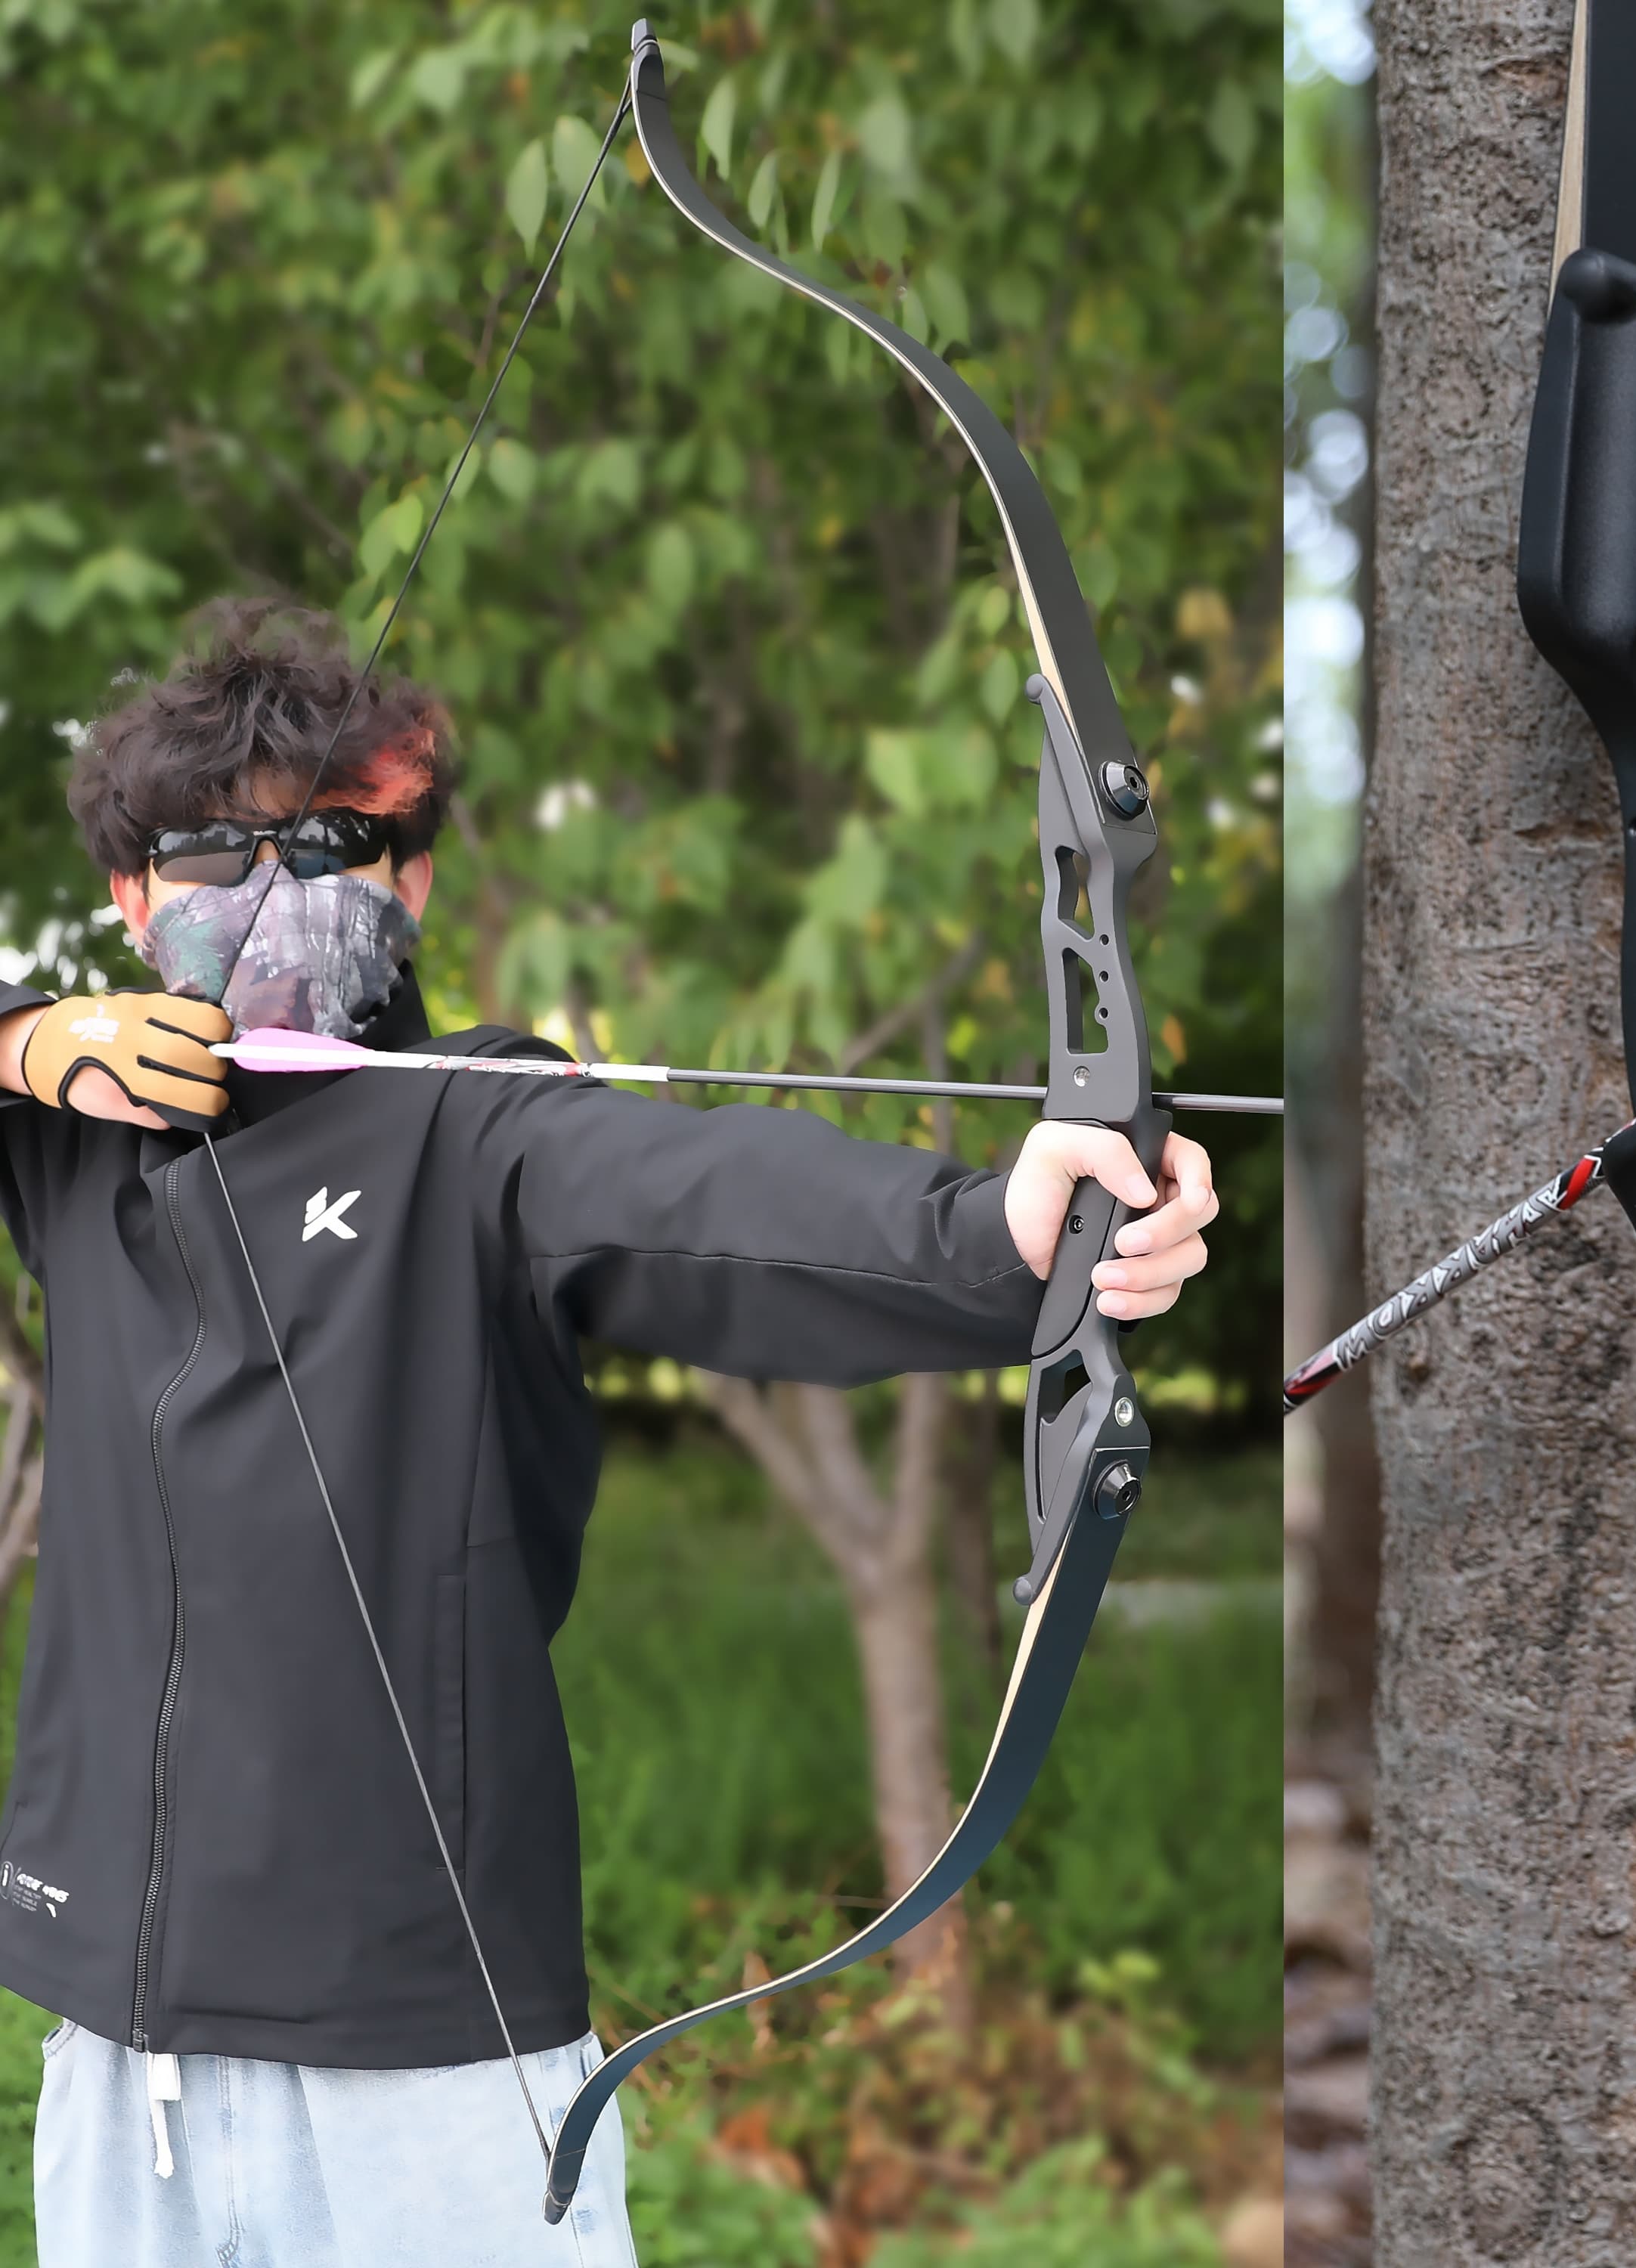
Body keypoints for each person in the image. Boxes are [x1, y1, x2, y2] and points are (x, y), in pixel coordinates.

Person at [0, 604, 1219, 2266]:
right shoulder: (66, 1143)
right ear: (133, 901)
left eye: (338, 842)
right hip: (116, 2047)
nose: (277, 887)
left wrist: (1015, 1233)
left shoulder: (485, 1129)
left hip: (425, 2063)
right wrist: (23, 1036)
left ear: (415, 878)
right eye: (216, 851)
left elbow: (704, 1194)